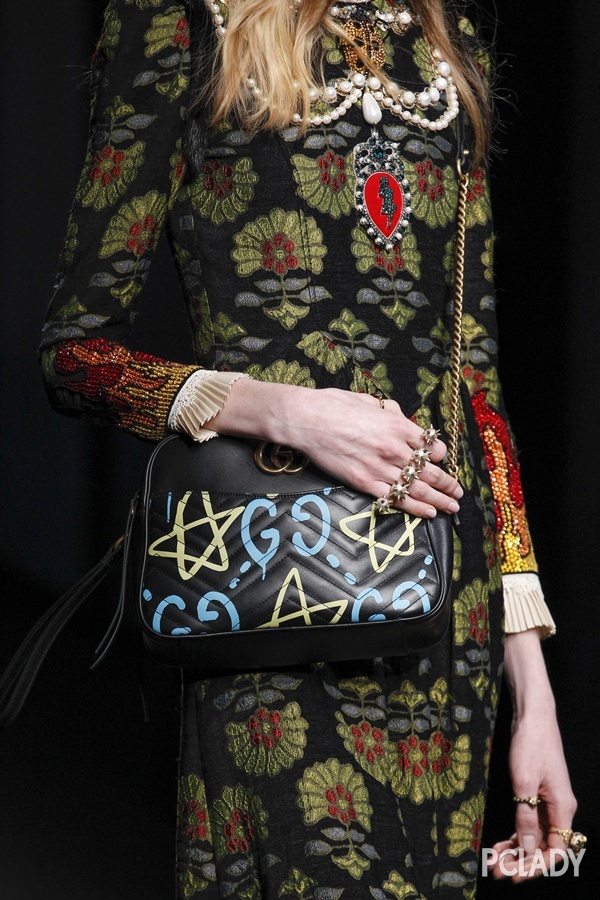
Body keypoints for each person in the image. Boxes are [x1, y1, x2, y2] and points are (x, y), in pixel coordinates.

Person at [40, 0, 580, 896]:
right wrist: (285, 414)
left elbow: (477, 386)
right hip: (272, 599)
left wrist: (536, 693)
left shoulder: (443, 42)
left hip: (444, 618)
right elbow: (76, 355)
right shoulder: (180, 23)